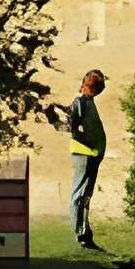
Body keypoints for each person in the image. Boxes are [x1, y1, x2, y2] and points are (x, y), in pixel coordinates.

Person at [56, 69, 107, 252]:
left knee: (84, 196)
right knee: (80, 195)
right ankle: (81, 236)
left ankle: (85, 234)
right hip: (85, 154)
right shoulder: (82, 102)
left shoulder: (85, 101)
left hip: (91, 154)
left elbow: (72, 117)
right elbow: (71, 125)